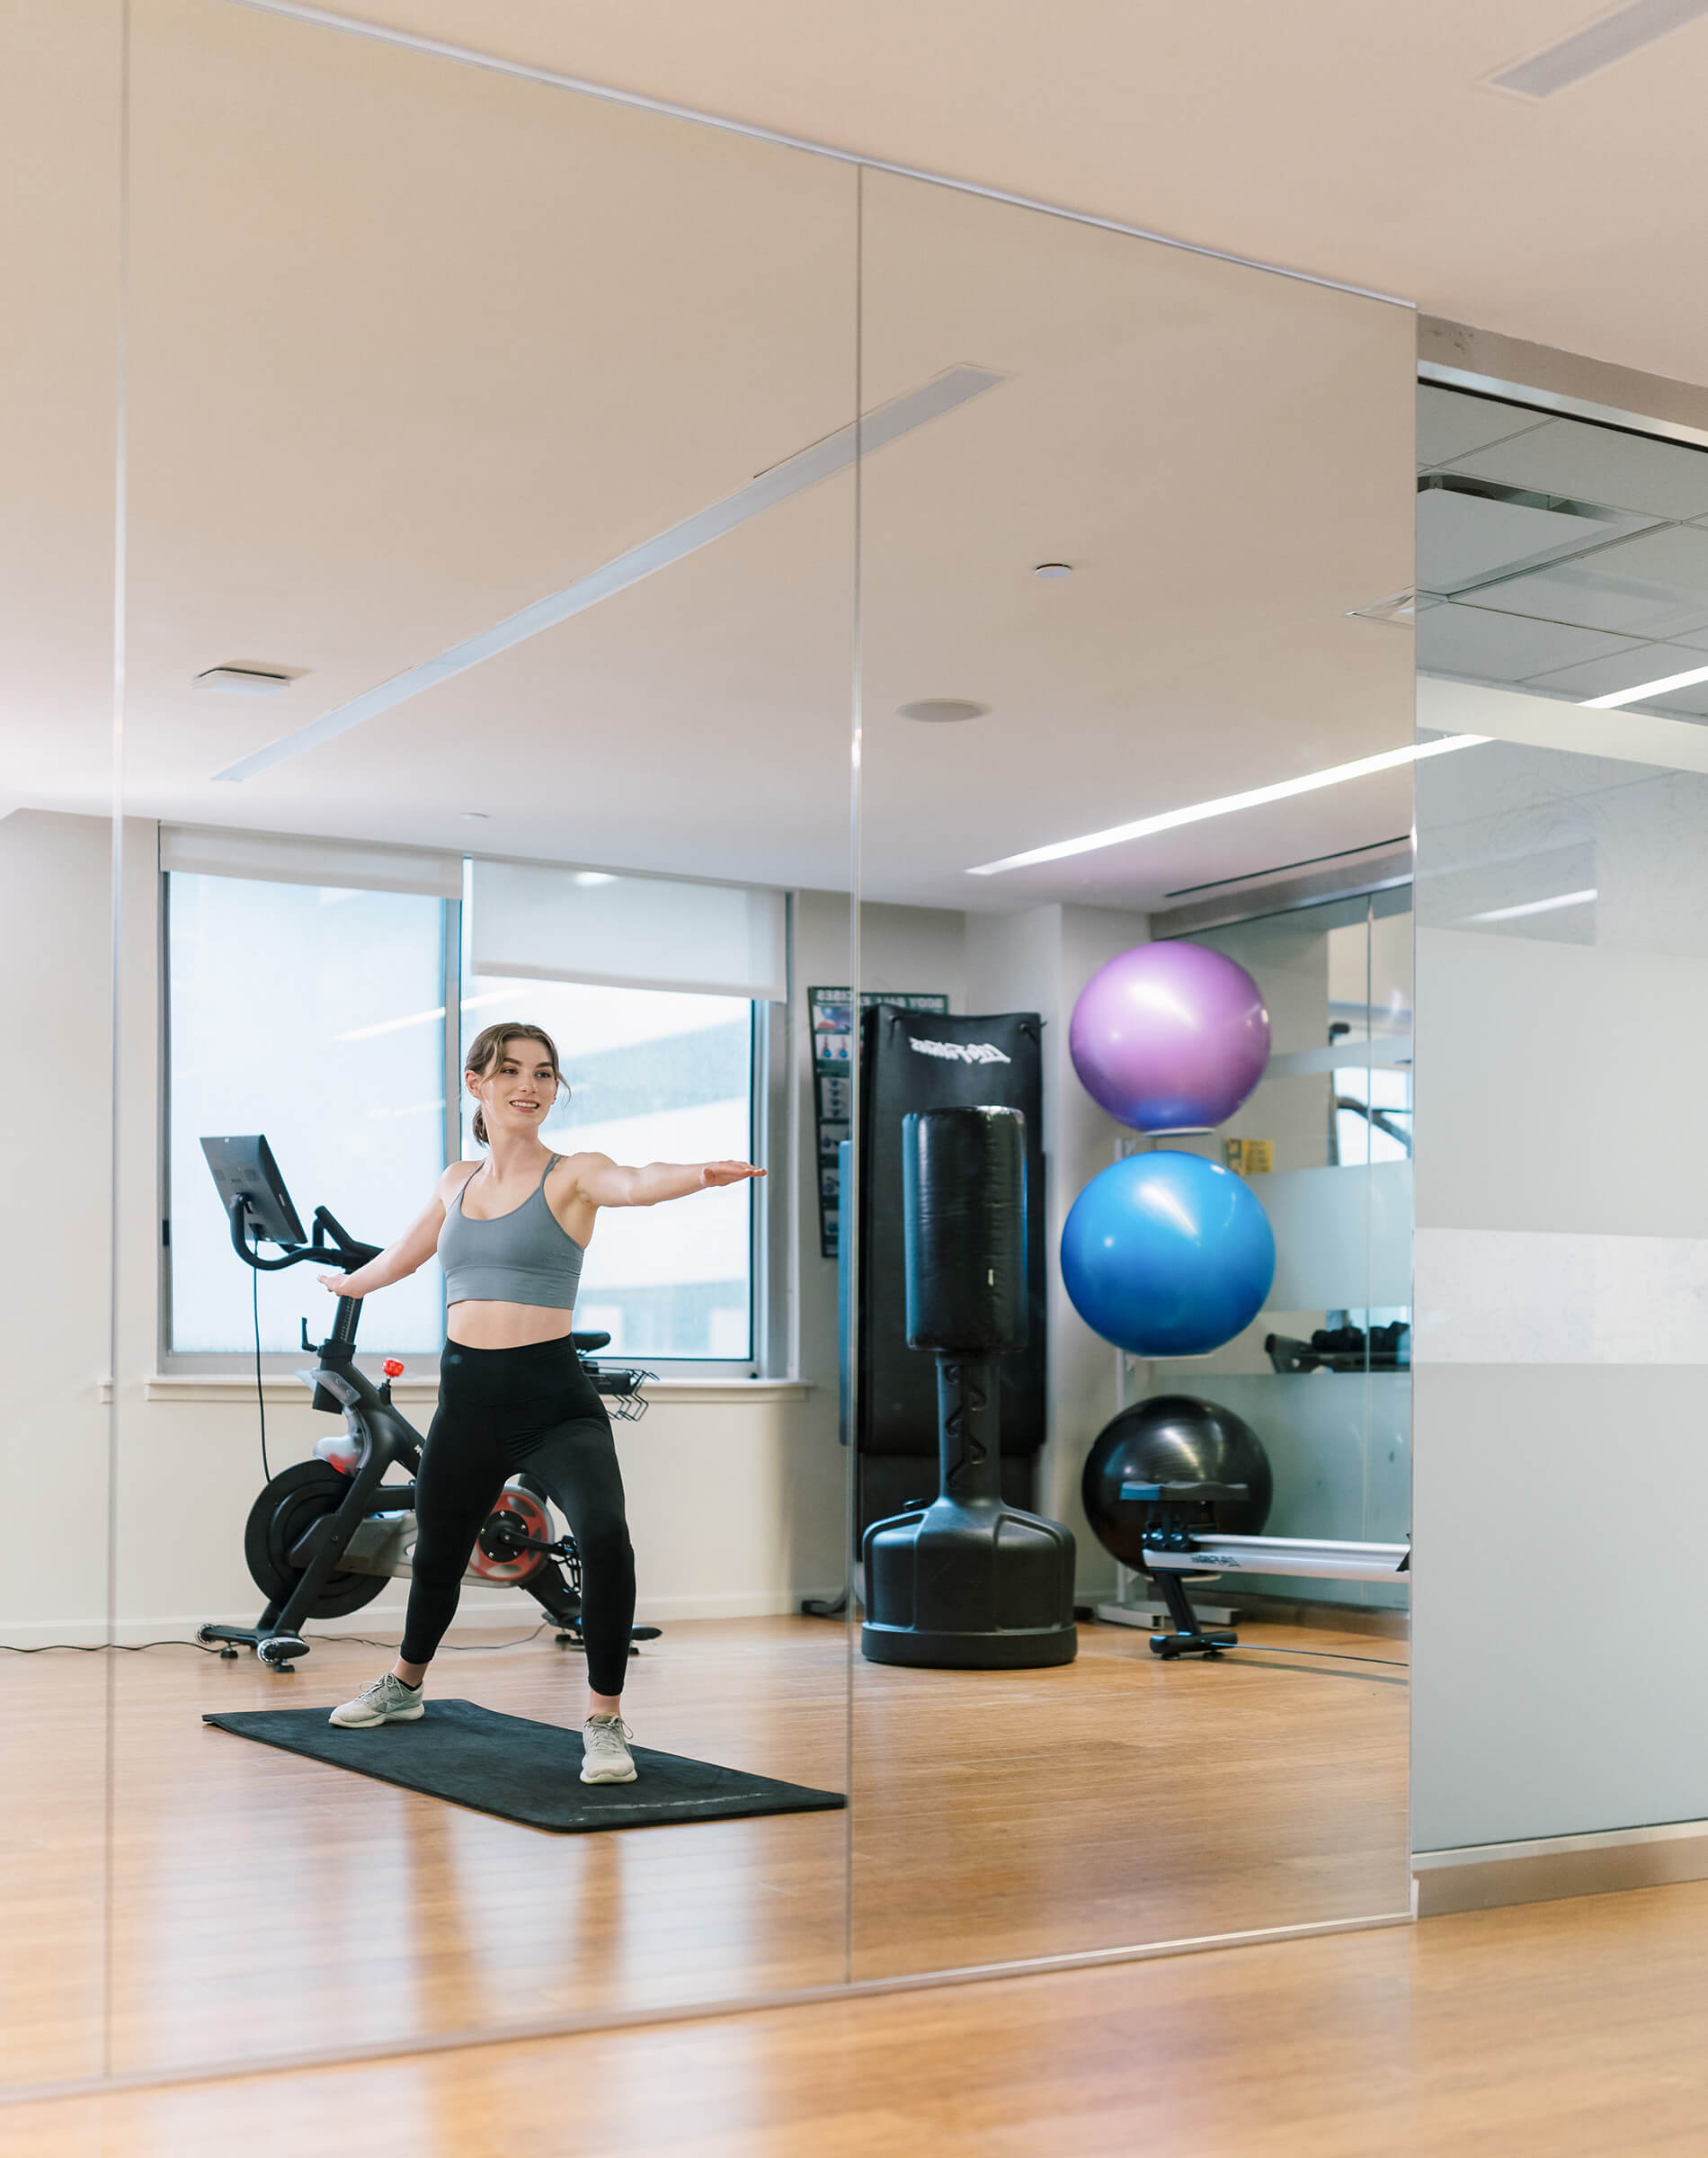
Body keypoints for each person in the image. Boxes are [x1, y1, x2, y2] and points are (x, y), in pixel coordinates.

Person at [319, 1021, 763, 1784]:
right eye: (511, 1070)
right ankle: (405, 1686)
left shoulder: (574, 1172)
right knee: (438, 1552)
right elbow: (406, 1251)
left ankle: (604, 1720)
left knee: (604, 1535)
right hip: (467, 1401)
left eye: (544, 1073)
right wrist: (351, 1283)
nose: (529, 1084)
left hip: (553, 1402)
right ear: (477, 1085)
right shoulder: (455, 1180)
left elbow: (636, 1181)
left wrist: (696, 1173)